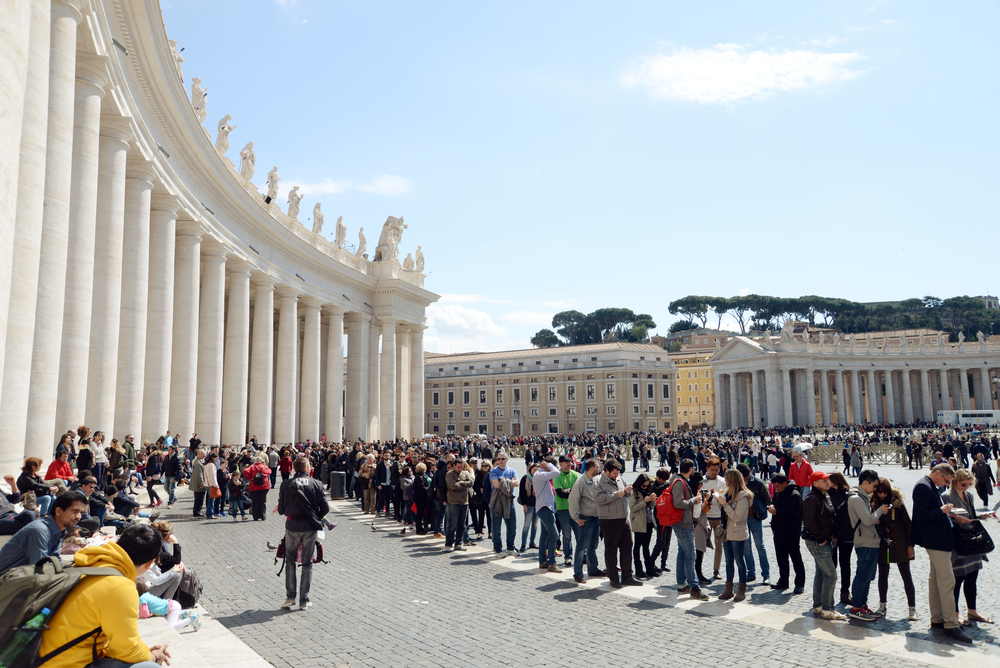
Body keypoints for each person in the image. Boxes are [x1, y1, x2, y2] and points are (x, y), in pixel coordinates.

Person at [38, 524, 170, 668]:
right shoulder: (120, 586)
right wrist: (153, 657)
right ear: (149, 563)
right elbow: (126, 648)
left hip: (44, 657)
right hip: (63, 664)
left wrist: (142, 652)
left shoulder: (92, 563)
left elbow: (120, 644)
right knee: (150, 667)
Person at [912, 462, 971, 643]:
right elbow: (921, 515)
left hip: (938, 539)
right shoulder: (923, 486)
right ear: (937, 473)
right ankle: (950, 625)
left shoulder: (930, 485)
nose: (946, 485)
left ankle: (937, 619)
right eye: (946, 481)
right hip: (936, 541)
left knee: (936, 580)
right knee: (947, 581)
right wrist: (941, 510)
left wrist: (949, 513)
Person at [278, 457, 330, 610]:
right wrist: (315, 517)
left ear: (294, 468)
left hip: (292, 525)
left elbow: (281, 510)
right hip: (310, 527)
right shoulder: (317, 483)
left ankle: (290, 597)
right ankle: (304, 600)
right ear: (307, 467)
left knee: (290, 561)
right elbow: (325, 508)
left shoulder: (286, 484)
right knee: (307, 563)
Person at [0, 491, 88, 573]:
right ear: (58, 511)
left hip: (19, 578)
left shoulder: (58, 531)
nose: (78, 517)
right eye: (75, 511)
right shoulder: (40, 530)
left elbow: (54, 560)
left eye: (81, 513)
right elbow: (40, 569)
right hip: (5, 582)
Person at [946, 469, 992, 627]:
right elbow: (948, 518)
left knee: (972, 578)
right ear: (955, 481)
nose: (966, 486)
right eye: (963, 483)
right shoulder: (947, 496)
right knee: (958, 580)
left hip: (973, 542)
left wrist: (980, 516)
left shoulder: (969, 496)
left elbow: (969, 514)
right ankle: (956, 613)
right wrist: (958, 518)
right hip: (959, 543)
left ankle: (972, 611)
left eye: (969, 484)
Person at [801, 470, 847, 620]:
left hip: (825, 539)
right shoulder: (811, 499)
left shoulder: (822, 496)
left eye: (828, 480)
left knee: (821, 573)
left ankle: (819, 605)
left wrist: (832, 536)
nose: (827, 482)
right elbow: (809, 523)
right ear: (815, 483)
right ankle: (828, 609)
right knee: (831, 575)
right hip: (818, 542)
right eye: (824, 480)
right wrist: (821, 539)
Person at [872, 477, 918, 621]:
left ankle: (912, 609)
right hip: (883, 546)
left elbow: (908, 524)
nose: (882, 495)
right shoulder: (873, 504)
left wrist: (911, 545)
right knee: (883, 575)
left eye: (884, 492)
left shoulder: (897, 504)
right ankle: (882, 605)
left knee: (906, 576)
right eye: (879, 492)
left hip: (900, 545)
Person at [847, 470, 890, 622]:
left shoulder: (862, 497)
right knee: (862, 575)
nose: (875, 489)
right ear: (865, 482)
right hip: (864, 542)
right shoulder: (857, 498)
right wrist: (880, 511)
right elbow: (867, 520)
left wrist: (874, 518)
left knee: (868, 576)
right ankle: (856, 607)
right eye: (874, 485)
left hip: (870, 541)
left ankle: (862, 604)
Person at [595, 458, 641, 588]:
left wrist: (628, 490)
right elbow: (598, 499)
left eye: (618, 473)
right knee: (611, 549)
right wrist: (616, 495)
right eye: (614, 473)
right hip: (609, 520)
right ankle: (613, 577)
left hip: (623, 518)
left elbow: (628, 494)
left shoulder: (620, 478)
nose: (617, 475)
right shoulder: (598, 481)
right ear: (607, 471)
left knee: (627, 547)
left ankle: (627, 576)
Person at [670, 460, 709, 600]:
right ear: (691, 469)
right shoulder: (680, 482)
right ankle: (694, 587)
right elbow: (678, 503)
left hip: (683, 522)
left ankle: (682, 584)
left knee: (682, 553)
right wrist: (694, 500)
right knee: (690, 556)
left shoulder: (680, 481)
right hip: (682, 523)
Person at [567, 459, 607, 584]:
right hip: (586, 518)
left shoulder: (596, 480)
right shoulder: (580, 482)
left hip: (596, 518)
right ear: (591, 468)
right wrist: (576, 517)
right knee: (581, 547)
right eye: (597, 466)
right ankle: (578, 573)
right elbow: (573, 501)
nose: (599, 467)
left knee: (593, 545)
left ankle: (592, 569)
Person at [716, 469, 752, 602]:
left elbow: (737, 517)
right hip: (726, 532)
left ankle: (742, 589)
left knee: (739, 562)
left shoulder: (743, 496)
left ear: (733, 481)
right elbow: (724, 512)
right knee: (728, 562)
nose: (725, 481)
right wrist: (719, 500)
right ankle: (728, 589)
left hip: (737, 533)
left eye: (727, 479)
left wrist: (724, 504)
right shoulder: (727, 493)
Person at [768, 472, 805, 594]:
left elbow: (794, 513)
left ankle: (799, 583)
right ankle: (783, 581)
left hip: (791, 532)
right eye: (775, 487)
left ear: (785, 483)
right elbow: (776, 507)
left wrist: (777, 512)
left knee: (795, 558)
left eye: (778, 486)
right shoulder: (778, 494)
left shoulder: (795, 495)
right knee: (781, 558)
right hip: (778, 531)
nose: (776, 489)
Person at [737, 463, 771, 586]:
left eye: (746, 478)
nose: (745, 480)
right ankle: (751, 572)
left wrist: (766, 509)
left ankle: (766, 574)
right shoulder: (737, 484)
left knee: (760, 546)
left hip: (755, 518)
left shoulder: (757, 482)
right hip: (742, 519)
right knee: (746, 548)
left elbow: (767, 499)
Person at [827, 471, 855, 606]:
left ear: (836, 482)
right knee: (831, 566)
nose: (827, 482)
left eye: (829, 480)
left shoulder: (848, 495)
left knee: (845, 565)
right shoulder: (827, 495)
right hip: (832, 535)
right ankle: (828, 595)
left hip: (846, 534)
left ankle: (845, 592)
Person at [532, 457, 561, 572]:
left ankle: (543, 561)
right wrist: (548, 465)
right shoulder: (540, 474)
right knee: (554, 535)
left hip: (545, 507)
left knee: (544, 536)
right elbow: (557, 472)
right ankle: (552, 563)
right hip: (545, 508)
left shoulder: (540, 474)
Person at [488, 451, 518, 556]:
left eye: (503, 459)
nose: (500, 461)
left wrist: (503, 482)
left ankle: (510, 547)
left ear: (507, 459)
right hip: (497, 502)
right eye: (499, 459)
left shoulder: (512, 470)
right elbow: (496, 485)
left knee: (512, 526)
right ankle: (498, 549)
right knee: (496, 527)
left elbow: (517, 483)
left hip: (510, 501)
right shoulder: (493, 471)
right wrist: (510, 482)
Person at [629, 473, 658, 578]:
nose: (645, 487)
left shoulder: (647, 492)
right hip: (639, 523)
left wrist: (652, 501)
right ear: (639, 484)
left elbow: (650, 507)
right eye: (643, 486)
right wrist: (644, 501)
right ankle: (638, 570)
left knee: (646, 546)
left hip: (649, 522)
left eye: (647, 486)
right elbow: (633, 508)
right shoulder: (633, 493)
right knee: (637, 546)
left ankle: (650, 569)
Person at [553, 455, 580, 568]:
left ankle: (581, 556)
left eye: (570, 462)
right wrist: (571, 491)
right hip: (563, 509)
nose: (569, 464)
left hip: (576, 509)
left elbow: (579, 490)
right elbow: (560, 493)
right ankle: (568, 557)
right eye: (566, 462)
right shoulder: (556, 476)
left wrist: (568, 491)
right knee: (567, 535)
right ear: (560, 464)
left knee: (579, 534)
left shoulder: (575, 474)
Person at [702, 457, 726, 581]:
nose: (715, 472)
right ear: (707, 469)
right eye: (712, 470)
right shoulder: (702, 481)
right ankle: (698, 569)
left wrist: (718, 495)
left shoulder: (722, 481)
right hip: (705, 517)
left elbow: (726, 497)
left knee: (719, 545)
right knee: (701, 545)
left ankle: (716, 569)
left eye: (717, 470)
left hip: (719, 517)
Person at [445, 458, 474, 552]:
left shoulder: (465, 473)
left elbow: (471, 482)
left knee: (461, 524)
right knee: (452, 524)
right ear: (454, 466)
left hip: (464, 502)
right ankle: (448, 544)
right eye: (458, 467)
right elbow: (453, 486)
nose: (460, 469)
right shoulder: (449, 474)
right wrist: (464, 486)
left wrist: (461, 483)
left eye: (461, 467)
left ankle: (458, 543)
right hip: (453, 502)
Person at [244, 453, 273, 521]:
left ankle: (256, 516)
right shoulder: (265, 467)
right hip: (264, 486)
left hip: (254, 486)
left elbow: (245, 471)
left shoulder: (252, 467)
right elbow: (270, 472)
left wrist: (249, 478)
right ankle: (263, 515)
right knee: (263, 501)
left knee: (255, 501)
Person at [517, 463, 539, 552]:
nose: (535, 472)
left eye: (537, 470)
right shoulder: (525, 478)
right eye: (534, 470)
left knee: (535, 525)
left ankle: (532, 542)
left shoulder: (540, 479)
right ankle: (523, 544)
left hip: (538, 505)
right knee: (526, 525)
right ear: (530, 470)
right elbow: (521, 493)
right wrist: (524, 505)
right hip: (528, 505)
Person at [189, 448, 206, 517]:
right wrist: (201, 483)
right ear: (198, 454)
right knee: (199, 498)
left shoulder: (200, 461)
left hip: (199, 483)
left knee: (199, 498)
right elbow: (199, 474)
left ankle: (198, 510)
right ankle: (197, 511)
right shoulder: (198, 463)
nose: (204, 455)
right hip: (198, 484)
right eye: (203, 454)